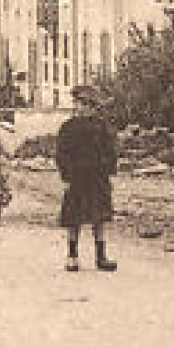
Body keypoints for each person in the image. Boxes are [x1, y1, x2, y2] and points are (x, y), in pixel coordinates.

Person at [55, 85, 119, 272]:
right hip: (76, 178)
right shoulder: (68, 127)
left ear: (92, 106)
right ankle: (72, 256)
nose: (79, 107)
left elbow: (111, 151)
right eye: (77, 103)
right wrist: (65, 174)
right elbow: (61, 153)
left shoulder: (102, 127)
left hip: (97, 178)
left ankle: (101, 257)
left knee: (99, 218)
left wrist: (107, 170)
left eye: (82, 104)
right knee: (73, 218)